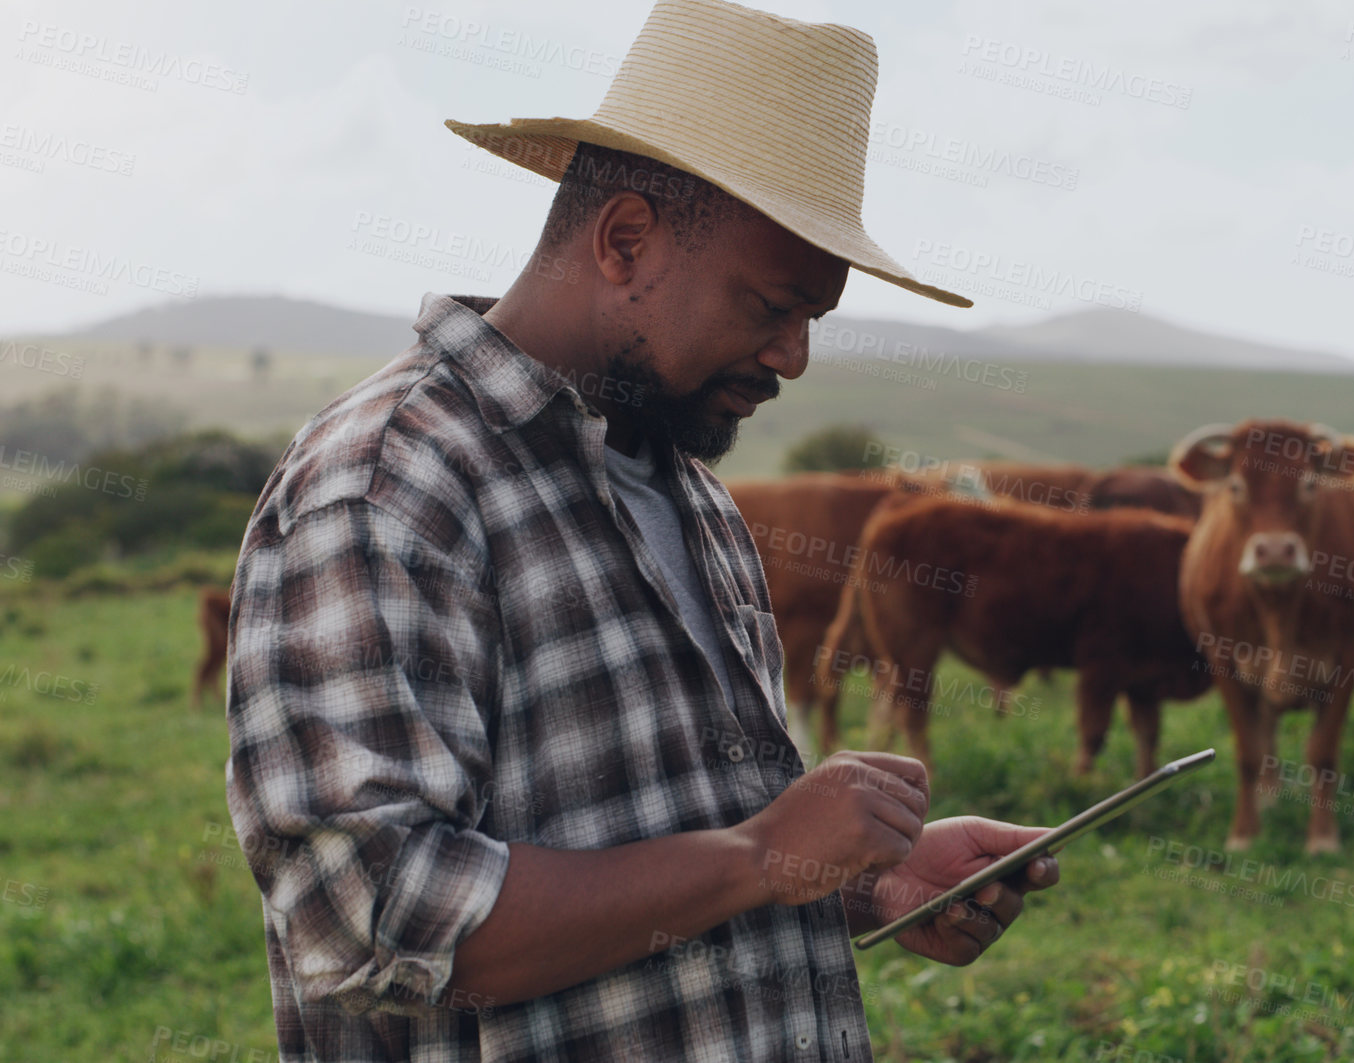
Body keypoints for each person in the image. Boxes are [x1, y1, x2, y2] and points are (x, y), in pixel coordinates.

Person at [223, 1, 1059, 1059]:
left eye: (814, 318)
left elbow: (677, 861)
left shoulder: (686, 489)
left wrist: (853, 880)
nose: (795, 357)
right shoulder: (391, 484)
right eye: (768, 306)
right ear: (624, 241)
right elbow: (373, 917)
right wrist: (763, 852)